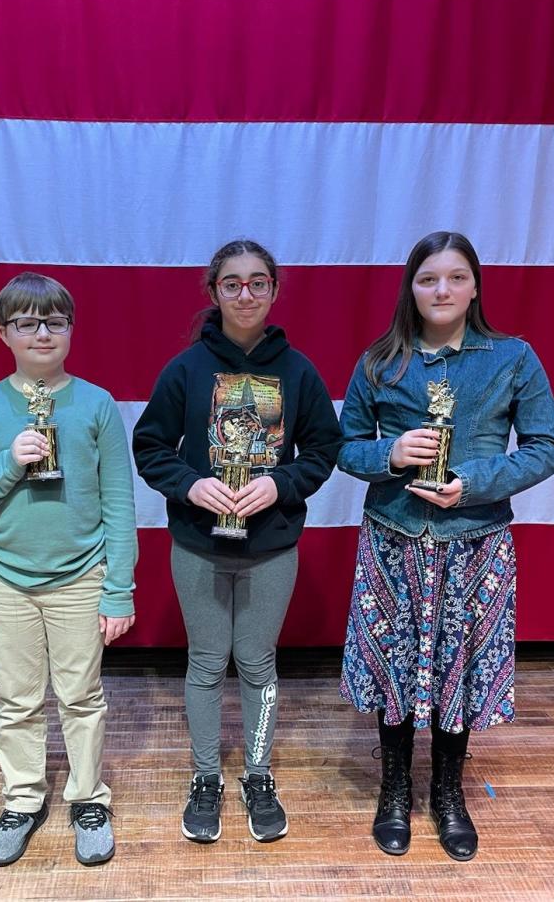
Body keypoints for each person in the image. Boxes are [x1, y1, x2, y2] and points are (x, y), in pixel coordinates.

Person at [337, 231, 554, 861]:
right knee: (394, 665)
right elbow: (345, 447)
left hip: (473, 543)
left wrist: (475, 484)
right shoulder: (380, 361)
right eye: (429, 278)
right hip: (394, 539)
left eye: (456, 277)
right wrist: (388, 453)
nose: (442, 290)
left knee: (457, 667)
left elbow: (548, 447)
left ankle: (447, 793)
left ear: (475, 286)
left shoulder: (512, 357)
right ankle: (392, 790)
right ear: (411, 287)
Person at [132, 240, 342, 844]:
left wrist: (281, 484)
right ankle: (205, 778)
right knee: (205, 664)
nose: (244, 294)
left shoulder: (298, 371)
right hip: (199, 544)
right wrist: (191, 484)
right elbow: (150, 448)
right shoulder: (186, 370)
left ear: (274, 291)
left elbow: (324, 451)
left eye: (257, 283)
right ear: (214, 291)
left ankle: (256, 772)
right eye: (232, 284)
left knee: (257, 664)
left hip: (271, 548)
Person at [0, 272, 138, 868]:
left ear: (71, 331)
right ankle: (23, 799)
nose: (43, 334)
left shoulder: (97, 404)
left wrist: (118, 589)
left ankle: (87, 797)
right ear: (5, 333)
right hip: (6, 578)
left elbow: (119, 503)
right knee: (18, 699)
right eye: (27, 323)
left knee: (81, 696)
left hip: (81, 576)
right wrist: (9, 461)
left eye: (55, 322)